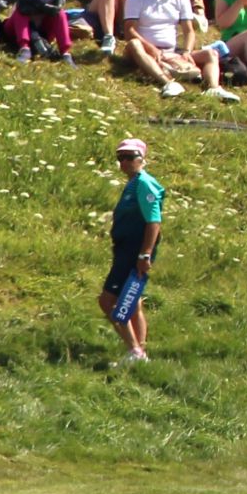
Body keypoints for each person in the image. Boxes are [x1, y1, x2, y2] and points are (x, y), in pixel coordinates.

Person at [104, 138, 162, 364]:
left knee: (108, 301)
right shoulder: (133, 184)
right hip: (125, 250)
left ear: (142, 159)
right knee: (134, 302)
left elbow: (154, 221)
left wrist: (145, 254)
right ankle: (140, 353)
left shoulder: (144, 183)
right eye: (120, 158)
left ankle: (134, 350)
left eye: (129, 157)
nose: (124, 162)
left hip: (134, 251)